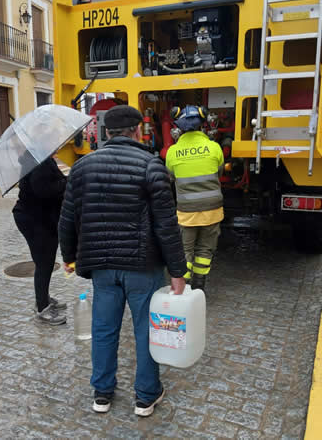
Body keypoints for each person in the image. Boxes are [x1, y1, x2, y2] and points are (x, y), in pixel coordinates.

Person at [59, 105, 187, 417]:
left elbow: (67, 218)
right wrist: (177, 271)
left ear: (106, 132)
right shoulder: (152, 165)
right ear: (138, 131)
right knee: (146, 331)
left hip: (102, 267)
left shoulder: (82, 167)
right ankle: (146, 397)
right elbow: (166, 225)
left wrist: (69, 256)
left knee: (104, 329)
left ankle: (102, 394)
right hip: (143, 267)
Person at [165, 105, 224, 291]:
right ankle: (199, 285)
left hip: (187, 212)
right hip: (213, 210)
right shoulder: (214, 148)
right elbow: (219, 173)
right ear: (202, 125)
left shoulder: (172, 152)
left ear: (178, 128)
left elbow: (171, 177)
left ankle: (184, 287)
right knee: (205, 249)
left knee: (185, 250)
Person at [13, 156, 67, 325]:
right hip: (35, 219)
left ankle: (43, 298)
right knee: (44, 262)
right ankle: (42, 308)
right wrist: (67, 182)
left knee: (46, 262)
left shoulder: (41, 159)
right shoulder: (38, 161)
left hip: (41, 218)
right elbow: (43, 190)